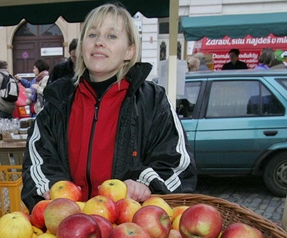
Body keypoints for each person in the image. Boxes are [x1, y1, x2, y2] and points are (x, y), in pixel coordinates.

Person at [21, 3, 197, 210]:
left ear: (129, 51)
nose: (99, 43)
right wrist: (56, 191)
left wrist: (145, 183)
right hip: (67, 228)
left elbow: (177, 163)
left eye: (111, 36)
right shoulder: (58, 100)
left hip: (132, 228)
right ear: (82, 47)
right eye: (92, 35)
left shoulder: (152, 100)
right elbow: (38, 161)